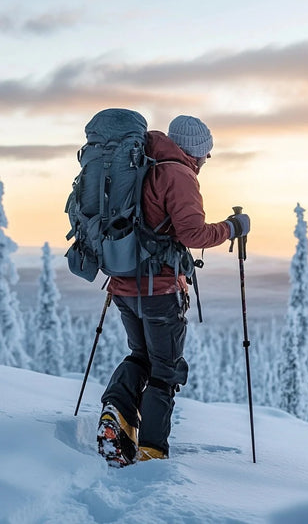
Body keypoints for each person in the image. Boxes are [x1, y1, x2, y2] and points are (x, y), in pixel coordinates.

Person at [97, 115, 250, 466]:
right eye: (205, 154)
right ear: (194, 150)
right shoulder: (178, 174)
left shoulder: (141, 164)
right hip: (160, 289)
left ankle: (116, 417)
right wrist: (233, 227)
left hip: (123, 285)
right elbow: (193, 235)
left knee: (139, 357)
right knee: (164, 370)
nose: (206, 161)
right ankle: (152, 449)